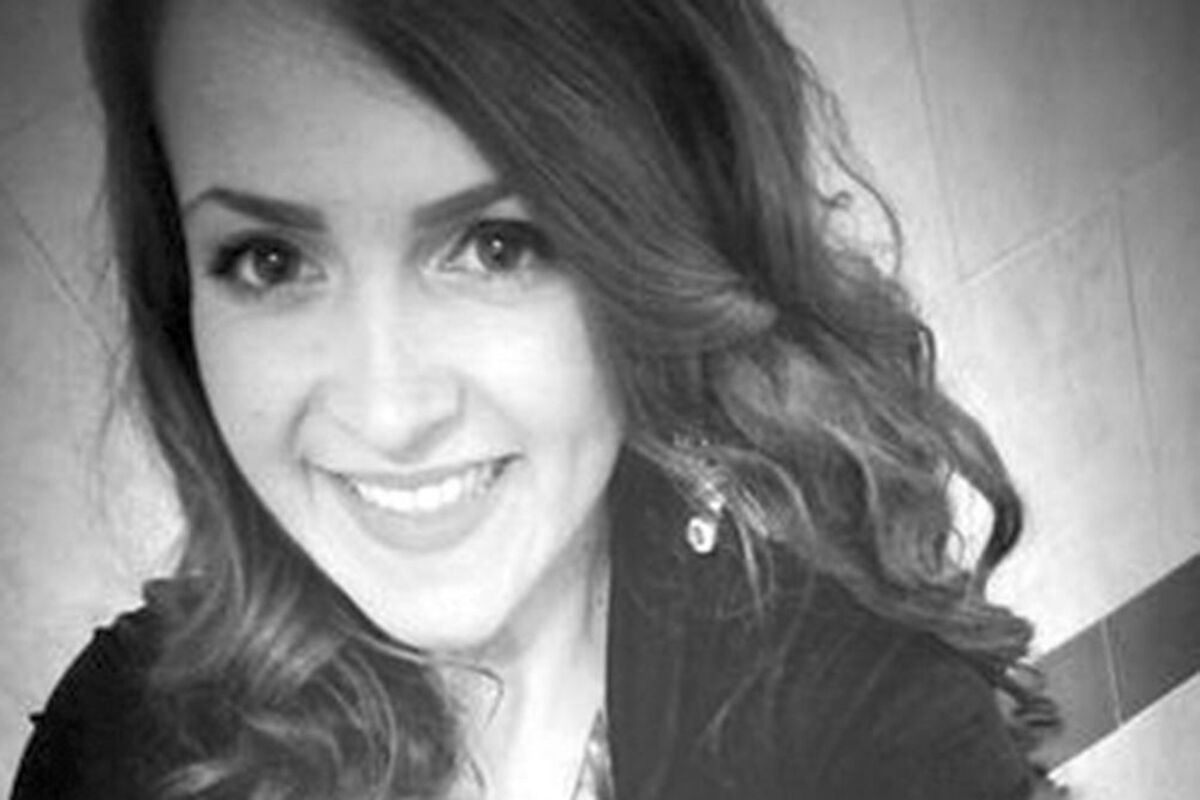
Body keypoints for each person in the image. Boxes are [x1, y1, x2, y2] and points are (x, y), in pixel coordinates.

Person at [13, 0, 1062, 798]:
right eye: (270, 260)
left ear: (656, 257)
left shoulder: (848, 699)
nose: (388, 412)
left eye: (497, 245)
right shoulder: (126, 742)